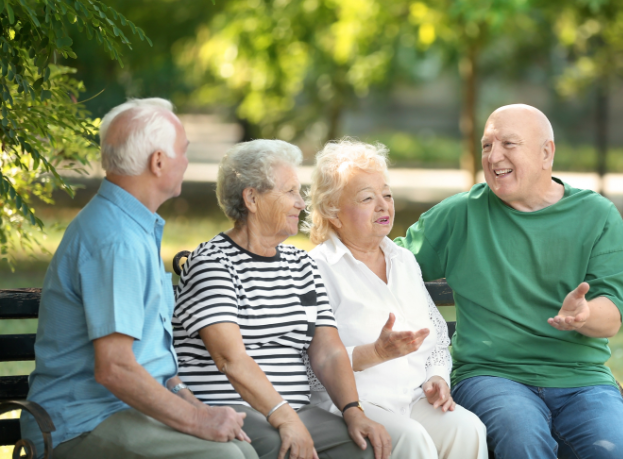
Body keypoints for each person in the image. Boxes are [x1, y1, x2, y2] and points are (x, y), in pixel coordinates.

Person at [394, 104, 623, 459]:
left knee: (622, 453)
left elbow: (612, 315)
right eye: (486, 146)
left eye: (508, 144)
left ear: (547, 153)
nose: (494, 156)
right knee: (522, 441)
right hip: (490, 376)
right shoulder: (460, 213)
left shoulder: (597, 216)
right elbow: (389, 263)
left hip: (580, 380)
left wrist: (584, 315)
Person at [22, 98, 257, 459]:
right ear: (158, 162)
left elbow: (153, 362)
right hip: (79, 426)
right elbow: (115, 369)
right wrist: (198, 423)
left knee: (257, 443)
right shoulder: (116, 240)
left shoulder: (134, 227)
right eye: (183, 152)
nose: (187, 162)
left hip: (126, 411)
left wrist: (199, 409)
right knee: (225, 458)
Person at [172, 139, 391, 459]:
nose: (301, 203)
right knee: (285, 449)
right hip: (235, 410)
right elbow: (230, 359)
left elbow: (328, 350)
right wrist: (285, 418)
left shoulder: (301, 264)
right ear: (252, 198)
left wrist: (352, 411)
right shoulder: (213, 263)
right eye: (290, 192)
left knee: (367, 447)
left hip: (296, 410)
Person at [304, 139, 488, 459]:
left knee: (467, 427)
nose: (383, 205)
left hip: (413, 400)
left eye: (386, 194)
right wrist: (373, 353)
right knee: (411, 439)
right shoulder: (316, 269)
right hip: (352, 406)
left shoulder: (402, 260)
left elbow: (435, 337)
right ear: (333, 212)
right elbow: (308, 367)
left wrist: (436, 378)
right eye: (367, 198)